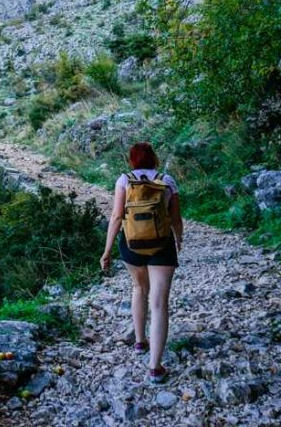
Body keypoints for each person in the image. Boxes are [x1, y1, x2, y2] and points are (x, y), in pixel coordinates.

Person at [99, 142, 183, 383]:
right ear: (154, 158)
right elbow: (176, 218)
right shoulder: (167, 180)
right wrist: (179, 239)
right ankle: (155, 367)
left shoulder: (124, 180)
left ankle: (139, 341)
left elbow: (116, 216)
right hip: (162, 244)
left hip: (132, 243)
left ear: (132, 160)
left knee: (138, 288)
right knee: (159, 304)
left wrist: (106, 251)